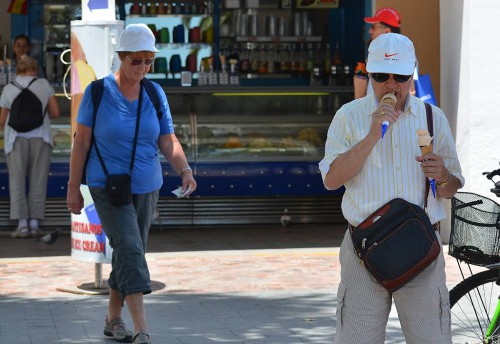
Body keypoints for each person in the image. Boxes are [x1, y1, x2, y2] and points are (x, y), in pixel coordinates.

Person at [319, 33, 464, 343]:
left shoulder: (433, 118)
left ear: (411, 75)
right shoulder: (348, 117)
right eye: (381, 76)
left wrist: (442, 176)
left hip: (421, 249)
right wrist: (372, 135)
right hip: (363, 250)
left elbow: (450, 189)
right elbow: (331, 180)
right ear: (369, 75)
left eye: (399, 76)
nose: (391, 84)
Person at [66, 23, 197, 344]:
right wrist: (72, 188)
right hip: (107, 186)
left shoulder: (154, 93)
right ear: (121, 57)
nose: (142, 68)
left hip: (147, 186)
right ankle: (142, 328)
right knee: (130, 249)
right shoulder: (97, 93)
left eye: (148, 61)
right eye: (135, 61)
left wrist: (185, 169)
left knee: (128, 253)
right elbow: (80, 143)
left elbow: (168, 140)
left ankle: (112, 318)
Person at [0, 56, 60, 237]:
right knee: (38, 181)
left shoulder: (9, 88)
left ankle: (22, 224)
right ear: (35, 69)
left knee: (16, 181)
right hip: (41, 138)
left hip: (15, 140)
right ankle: (35, 224)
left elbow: (2, 120)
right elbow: (55, 112)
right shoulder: (44, 85)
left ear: (17, 70)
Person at [354, 7, 418, 98]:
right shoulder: (406, 52)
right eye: (380, 76)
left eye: (373, 27)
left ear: (387, 31)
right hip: (370, 110)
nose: (370, 31)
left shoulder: (406, 53)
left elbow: (411, 91)